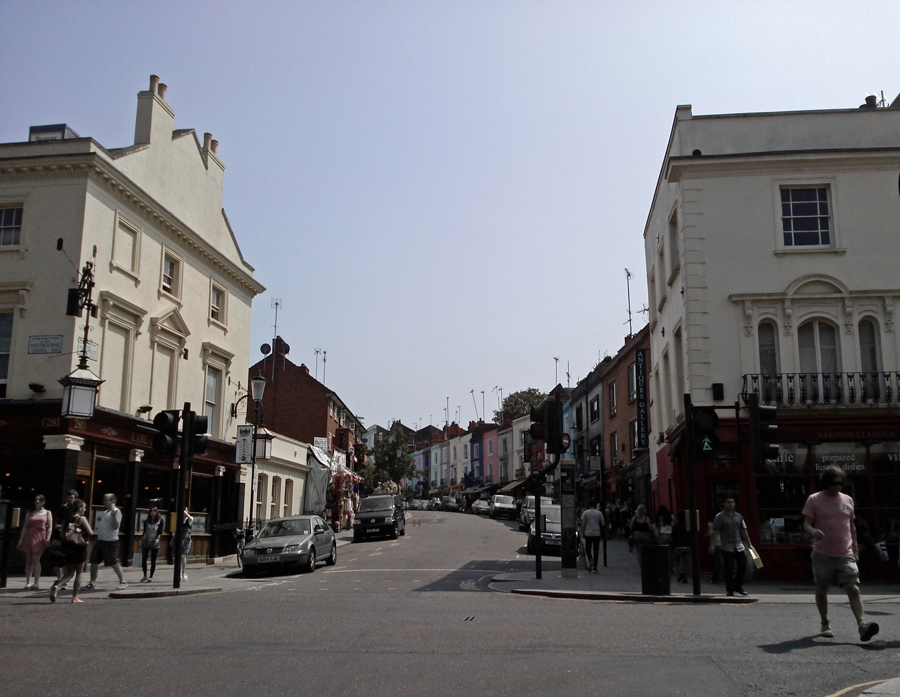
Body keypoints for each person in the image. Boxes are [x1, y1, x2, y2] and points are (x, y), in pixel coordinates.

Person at [802, 465, 879, 642]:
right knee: (822, 588)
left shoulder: (848, 500)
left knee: (853, 588)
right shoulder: (814, 499)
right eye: (834, 484)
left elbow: (851, 526)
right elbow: (806, 524)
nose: (837, 487)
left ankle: (862, 626)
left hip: (845, 552)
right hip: (822, 553)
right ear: (826, 483)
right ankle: (825, 623)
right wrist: (813, 531)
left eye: (840, 484)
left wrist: (856, 549)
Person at [50, 499, 93, 604]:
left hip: (67, 548)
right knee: (79, 573)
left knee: (69, 572)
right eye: (84, 507)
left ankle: (57, 585)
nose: (85, 509)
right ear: (80, 508)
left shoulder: (66, 519)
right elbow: (90, 532)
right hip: (79, 548)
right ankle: (74, 597)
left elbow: (61, 536)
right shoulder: (81, 519)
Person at [711, 496, 752, 597]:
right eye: (728, 502)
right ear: (724, 504)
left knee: (743, 565)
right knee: (728, 569)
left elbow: (743, 530)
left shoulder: (739, 516)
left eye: (732, 502)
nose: (731, 504)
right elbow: (715, 531)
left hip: (738, 545)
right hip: (726, 546)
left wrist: (749, 544)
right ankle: (730, 589)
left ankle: (737, 585)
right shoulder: (720, 516)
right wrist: (712, 545)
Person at [86, 493, 127, 590]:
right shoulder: (105, 512)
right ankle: (92, 583)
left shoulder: (116, 512)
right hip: (100, 540)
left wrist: (113, 517)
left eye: (106, 500)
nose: (104, 502)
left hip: (110, 541)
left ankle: (123, 581)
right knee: (94, 561)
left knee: (113, 562)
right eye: (103, 500)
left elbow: (115, 527)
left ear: (113, 501)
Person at [17, 494, 52, 590]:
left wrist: (48, 538)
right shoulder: (30, 512)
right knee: (29, 560)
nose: (37, 502)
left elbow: (50, 527)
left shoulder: (47, 513)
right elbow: (25, 526)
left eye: (39, 500)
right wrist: (21, 540)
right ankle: (28, 582)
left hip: (40, 535)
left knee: (36, 559)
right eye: (36, 500)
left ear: (43, 502)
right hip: (29, 535)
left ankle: (36, 582)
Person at [50, 490, 78, 588]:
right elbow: (57, 519)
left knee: (67, 560)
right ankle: (59, 577)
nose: (69, 500)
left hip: (69, 538)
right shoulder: (63, 507)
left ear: (75, 499)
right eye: (68, 498)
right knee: (55, 556)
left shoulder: (76, 509)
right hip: (59, 536)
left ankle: (64, 582)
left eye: (72, 498)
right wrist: (57, 525)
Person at [140, 506, 164, 583]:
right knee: (144, 559)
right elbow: (144, 532)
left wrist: (157, 539)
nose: (152, 512)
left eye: (154, 511)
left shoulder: (160, 521)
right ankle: (144, 575)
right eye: (151, 511)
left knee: (153, 560)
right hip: (146, 540)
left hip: (154, 541)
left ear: (157, 512)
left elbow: (160, 531)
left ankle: (151, 576)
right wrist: (142, 540)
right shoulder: (146, 521)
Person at [580, 501, 605, 573]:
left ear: (588, 505)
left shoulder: (585, 513)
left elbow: (583, 524)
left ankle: (590, 559)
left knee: (587, 548)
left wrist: (583, 532)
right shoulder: (599, 513)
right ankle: (595, 567)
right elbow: (603, 523)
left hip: (588, 533)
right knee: (596, 550)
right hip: (597, 533)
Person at [180, 507, 193, 581]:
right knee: (178, 557)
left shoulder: (189, 519)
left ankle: (183, 573)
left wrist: (185, 512)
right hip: (180, 539)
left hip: (186, 540)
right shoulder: (180, 520)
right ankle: (179, 574)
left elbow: (190, 518)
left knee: (183, 556)